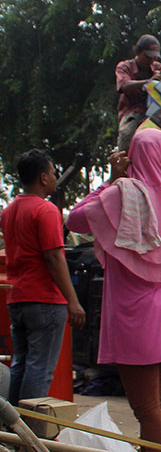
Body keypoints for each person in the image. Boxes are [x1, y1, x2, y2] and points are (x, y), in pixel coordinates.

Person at [66, 130, 161, 452]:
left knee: (146, 409)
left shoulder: (121, 195)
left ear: (133, 155)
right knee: (157, 405)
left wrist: (109, 180)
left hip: (134, 315)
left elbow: (75, 219)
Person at [1, 150, 86, 403]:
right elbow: (54, 257)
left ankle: (11, 428)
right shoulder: (46, 211)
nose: (54, 177)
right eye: (52, 173)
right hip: (45, 300)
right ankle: (30, 432)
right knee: (40, 369)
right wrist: (73, 301)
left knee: (21, 365)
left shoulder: (9, 212)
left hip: (17, 299)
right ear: (43, 178)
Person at [115, 35, 161, 152]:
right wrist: (148, 82)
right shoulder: (125, 67)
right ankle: (124, 159)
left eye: (154, 57)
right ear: (138, 52)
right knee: (127, 133)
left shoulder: (157, 67)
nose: (151, 60)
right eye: (147, 57)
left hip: (156, 112)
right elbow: (124, 86)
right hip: (133, 113)